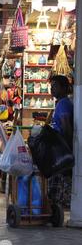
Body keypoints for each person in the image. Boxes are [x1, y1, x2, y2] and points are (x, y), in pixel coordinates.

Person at [49, 75, 74, 208]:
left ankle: (60, 202)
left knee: (60, 176)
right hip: (60, 146)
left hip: (61, 147)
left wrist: (67, 146)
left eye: (55, 86)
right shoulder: (62, 102)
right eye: (51, 86)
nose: (52, 89)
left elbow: (66, 127)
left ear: (64, 88)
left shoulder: (63, 103)